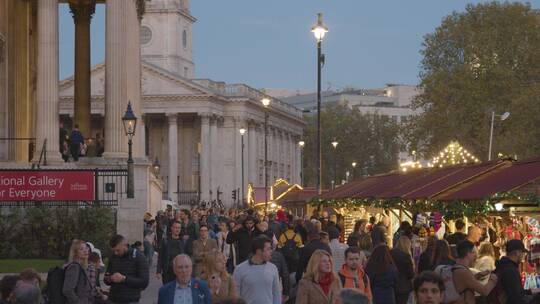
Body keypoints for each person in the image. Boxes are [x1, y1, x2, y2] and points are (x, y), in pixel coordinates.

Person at [232, 235, 281, 304]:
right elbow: (235, 295)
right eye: (268, 249)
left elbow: (276, 294)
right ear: (259, 251)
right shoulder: (240, 269)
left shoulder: (273, 268)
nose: (271, 251)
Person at [104, 234, 149, 303]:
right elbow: (106, 277)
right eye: (114, 251)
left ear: (125, 245)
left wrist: (124, 279)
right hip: (113, 298)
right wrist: (110, 278)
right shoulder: (113, 257)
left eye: (118, 250)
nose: (116, 253)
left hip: (130, 299)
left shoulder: (139, 257)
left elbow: (144, 282)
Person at [490, 239, 537, 304]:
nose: (523, 255)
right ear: (517, 253)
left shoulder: (503, 265)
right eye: (522, 252)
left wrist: (532, 291)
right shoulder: (510, 270)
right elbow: (517, 298)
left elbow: (516, 292)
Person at [63, 239, 93, 304]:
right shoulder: (74, 267)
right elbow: (67, 290)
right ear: (75, 253)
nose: (85, 251)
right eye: (81, 249)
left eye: (86, 248)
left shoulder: (81, 267)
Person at [390, 236, 414, 304]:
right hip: (404, 287)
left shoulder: (390, 253)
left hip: (392, 284)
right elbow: (410, 274)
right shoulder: (407, 256)